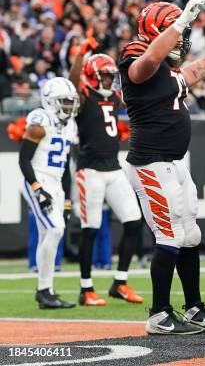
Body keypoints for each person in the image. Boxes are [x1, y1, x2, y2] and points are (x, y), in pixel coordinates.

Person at [120, 0, 205, 335]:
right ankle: (159, 314)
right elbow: (144, 65)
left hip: (175, 162)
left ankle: (193, 308)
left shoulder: (169, 68)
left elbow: (189, 75)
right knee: (170, 235)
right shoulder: (137, 53)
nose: (183, 36)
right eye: (178, 30)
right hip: (150, 162)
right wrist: (180, 21)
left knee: (191, 234)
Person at [67, 32, 144, 306]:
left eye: (112, 75)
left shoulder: (114, 96)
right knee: (91, 228)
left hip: (113, 168)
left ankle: (119, 282)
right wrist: (80, 55)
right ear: (93, 74)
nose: (110, 79)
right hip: (90, 170)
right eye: (106, 75)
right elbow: (73, 83)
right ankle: (85, 288)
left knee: (134, 222)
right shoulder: (84, 95)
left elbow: (134, 97)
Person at [19, 77, 79, 309]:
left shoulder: (70, 124)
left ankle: (46, 292)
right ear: (50, 101)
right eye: (63, 101)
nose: (68, 105)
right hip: (36, 179)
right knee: (55, 230)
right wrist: (37, 187)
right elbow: (24, 159)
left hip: (55, 182)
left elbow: (64, 167)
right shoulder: (40, 119)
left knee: (50, 234)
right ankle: (44, 290)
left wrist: (64, 199)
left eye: (69, 101)